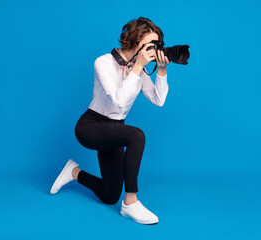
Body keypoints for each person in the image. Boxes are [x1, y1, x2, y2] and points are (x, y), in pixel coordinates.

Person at [49, 17, 170, 225]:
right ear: (135, 41)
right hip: (91, 126)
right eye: (151, 45)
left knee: (109, 195)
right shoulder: (103, 62)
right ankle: (131, 202)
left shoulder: (139, 70)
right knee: (137, 136)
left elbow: (158, 100)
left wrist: (161, 70)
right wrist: (137, 68)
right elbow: (119, 102)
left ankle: (74, 172)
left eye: (157, 45)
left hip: (115, 130)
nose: (154, 50)